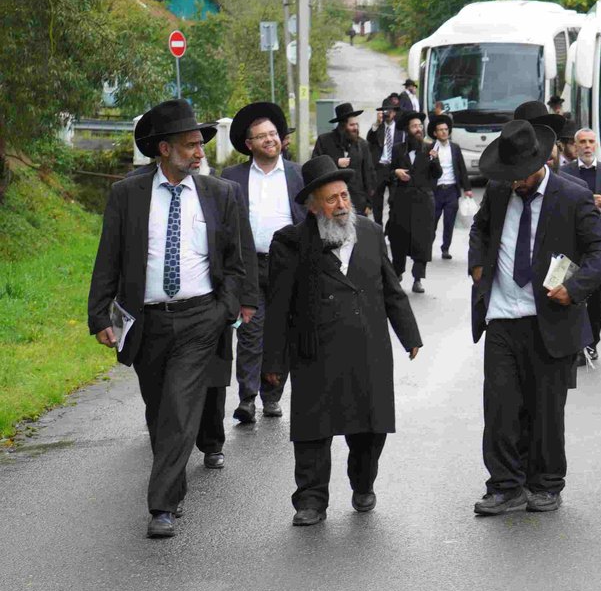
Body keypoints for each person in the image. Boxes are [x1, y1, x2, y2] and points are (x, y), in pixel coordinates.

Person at [87, 99, 254, 538]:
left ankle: (161, 505)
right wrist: (98, 314)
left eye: (200, 144)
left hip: (201, 319)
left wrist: (226, 309)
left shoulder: (220, 194)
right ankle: (172, 482)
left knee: (180, 408)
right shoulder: (128, 195)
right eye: (190, 145)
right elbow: (109, 258)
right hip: (146, 321)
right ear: (164, 149)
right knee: (159, 408)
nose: (200, 152)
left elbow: (235, 261)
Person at [262, 155, 423, 527]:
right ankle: (310, 500)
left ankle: (363, 483)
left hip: (368, 347)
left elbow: (391, 288)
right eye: (331, 199)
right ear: (313, 206)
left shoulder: (370, 232)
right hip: (315, 350)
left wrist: (409, 334)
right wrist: (273, 362)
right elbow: (279, 305)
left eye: (344, 196)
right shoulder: (290, 242)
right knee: (312, 431)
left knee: (371, 428)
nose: (341, 205)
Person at [467, 121, 601, 515]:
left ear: (539, 164)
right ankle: (505, 486)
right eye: (508, 176)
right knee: (499, 408)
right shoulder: (499, 190)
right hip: (502, 315)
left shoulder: (573, 196)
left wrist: (575, 287)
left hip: (548, 317)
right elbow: (480, 229)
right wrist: (477, 264)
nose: (513, 183)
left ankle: (546, 484)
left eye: (519, 176)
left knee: (546, 410)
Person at [222, 101, 308, 426]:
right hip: (249, 265)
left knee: (281, 332)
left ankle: (272, 396)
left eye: (273, 133)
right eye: (262, 136)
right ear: (249, 144)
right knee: (250, 332)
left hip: (288, 265)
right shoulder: (232, 178)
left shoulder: (298, 174)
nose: (270, 139)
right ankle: (247, 398)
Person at [559, 127, 601, 363]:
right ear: (575, 146)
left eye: (591, 141)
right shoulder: (564, 172)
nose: (587, 146)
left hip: (600, 247)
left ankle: (591, 344)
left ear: (596, 145)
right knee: (568, 294)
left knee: (596, 300)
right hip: (571, 246)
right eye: (582, 142)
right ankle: (571, 344)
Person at [386, 110, 441, 294]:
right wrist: (396, 172)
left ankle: (418, 278)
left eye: (419, 126)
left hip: (423, 202)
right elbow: (387, 172)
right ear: (407, 130)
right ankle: (398, 272)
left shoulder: (429, 148)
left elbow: (437, 174)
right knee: (398, 238)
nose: (418, 129)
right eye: (414, 126)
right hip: (402, 201)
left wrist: (435, 160)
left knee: (422, 241)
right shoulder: (398, 149)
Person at [312, 102, 375, 216]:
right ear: (342, 126)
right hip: (331, 203)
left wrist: (369, 203)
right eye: (352, 125)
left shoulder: (363, 145)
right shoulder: (324, 141)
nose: (355, 128)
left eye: (357, 125)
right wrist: (335, 162)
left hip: (358, 204)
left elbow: (369, 174)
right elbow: (316, 166)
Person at [426, 114, 470, 260]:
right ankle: (427, 247)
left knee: (449, 222)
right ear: (435, 133)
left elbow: (462, 168)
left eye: (446, 129)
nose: (444, 132)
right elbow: (426, 170)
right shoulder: (430, 148)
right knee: (432, 221)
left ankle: (445, 248)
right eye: (441, 130)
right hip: (436, 191)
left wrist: (467, 189)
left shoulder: (455, 148)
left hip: (452, 190)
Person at [367, 98, 403, 225]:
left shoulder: (400, 130)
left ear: (395, 113)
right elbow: (369, 138)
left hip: (394, 167)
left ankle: (390, 227)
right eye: (386, 111)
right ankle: (378, 226)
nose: (388, 113)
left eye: (391, 111)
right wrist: (377, 123)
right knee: (377, 201)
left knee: (394, 200)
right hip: (380, 167)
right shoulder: (378, 128)